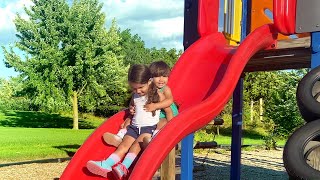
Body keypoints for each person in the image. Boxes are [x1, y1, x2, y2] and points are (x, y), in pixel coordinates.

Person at [86, 64, 162, 179]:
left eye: (141, 87)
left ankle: (123, 167)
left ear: (149, 81)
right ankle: (107, 164)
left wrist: (156, 106)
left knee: (135, 146)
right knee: (123, 146)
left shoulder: (157, 95)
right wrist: (131, 109)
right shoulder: (135, 95)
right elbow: (132, 105)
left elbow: (168, 104)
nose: (138, 91)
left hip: (148, 128)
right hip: (134, 127)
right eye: (134, 88)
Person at [103, 60, 178, 147]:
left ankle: (155, 138)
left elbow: (169, 101)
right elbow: (135, 102)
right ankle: (121, 135)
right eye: (157, 76)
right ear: (150, 79)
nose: (161, 79)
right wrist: (131, 108)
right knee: (129, 118)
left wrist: (155, 106)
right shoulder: (145, 90)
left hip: (164, 115)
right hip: (149, 116)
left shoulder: (165, 89)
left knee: (162, 122)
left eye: (164, 76)